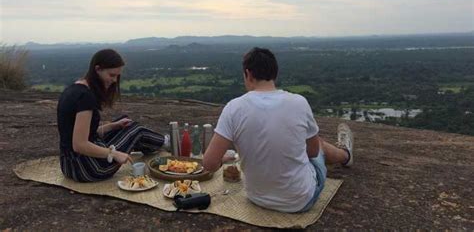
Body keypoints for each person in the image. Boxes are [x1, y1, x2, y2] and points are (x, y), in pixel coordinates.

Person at [203, 47, 354, 213]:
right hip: (301, 201)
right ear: (275, 73)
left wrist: (223, 160)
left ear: (248, 74)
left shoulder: (233, 108)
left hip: (257, 198)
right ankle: (346, 155)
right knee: (318, 142)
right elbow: (312, 152)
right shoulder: (299, 102)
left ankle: (344, 155)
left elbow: (209, 164)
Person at [57, 49, 168, 182]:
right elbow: (79, 144)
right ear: (97, 69)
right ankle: (165, 143)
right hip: (89, 168)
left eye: (117, 76)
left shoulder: (74, 89)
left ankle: (156, 145)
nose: (114, 80)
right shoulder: (85, 97)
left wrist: (113, 126)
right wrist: (114, 154)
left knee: (123, 123)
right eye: (111, 75)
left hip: (68, 165)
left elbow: (83, 133)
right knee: (136, 130)